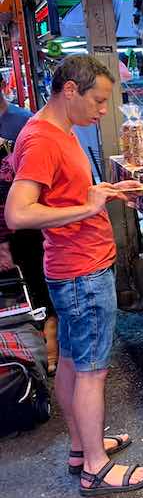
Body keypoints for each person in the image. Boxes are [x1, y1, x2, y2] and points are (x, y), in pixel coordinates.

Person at [5, 55, 143, 496]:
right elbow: (18, 213)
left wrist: (102, 195)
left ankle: (80, 448)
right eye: (99, 100)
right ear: (70, 90)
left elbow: (63, 197)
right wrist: (90, 208)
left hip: (74, 268)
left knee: (71, 361)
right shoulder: (42, 140)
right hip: (81, 273)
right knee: (92, 371)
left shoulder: (59, 131)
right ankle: (95, 467)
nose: (103, 110)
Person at [0, 82, 59, 374]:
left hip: (29, 226)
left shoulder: (25, 122)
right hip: (2, 230)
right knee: (11, 298)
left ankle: (48, 350)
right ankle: (16, 356)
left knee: (39, 287)